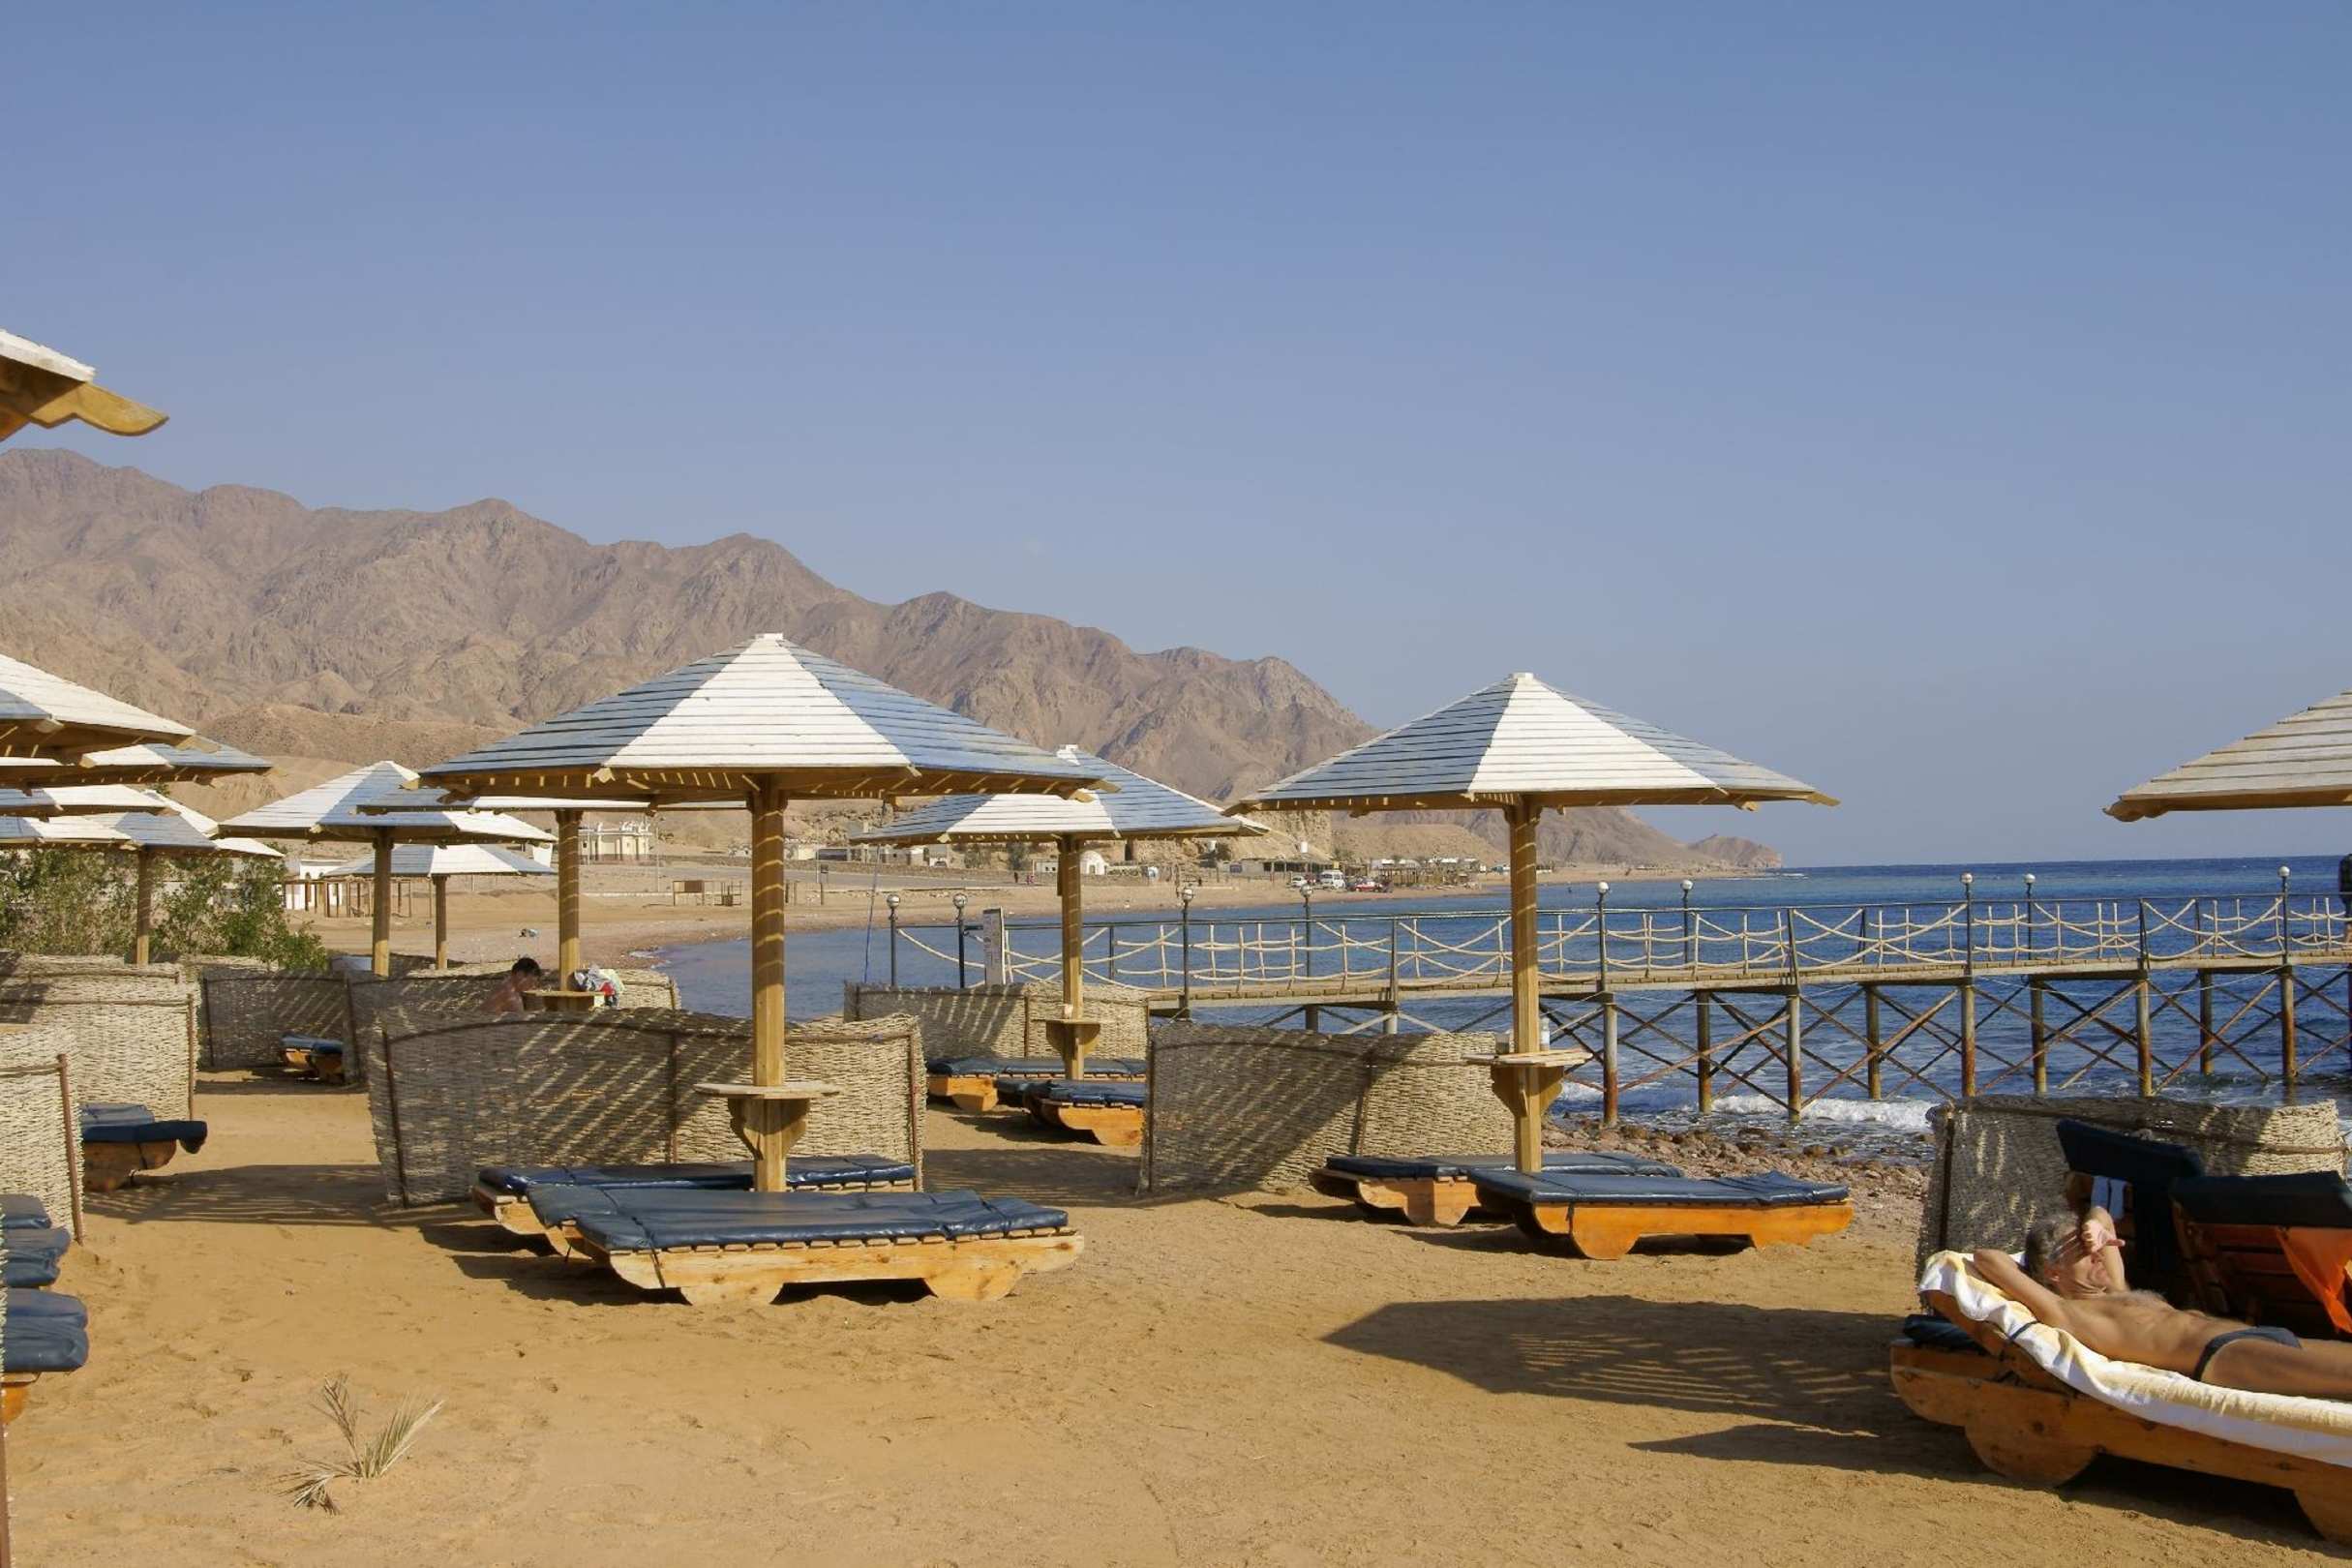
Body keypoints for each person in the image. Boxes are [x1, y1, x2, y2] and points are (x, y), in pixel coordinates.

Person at [1975, 1213, 2352, 1399]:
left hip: (2255, 1337)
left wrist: (2093, 1227)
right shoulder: (2066, 1311)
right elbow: (1987, 1257)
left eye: (2095, 1248)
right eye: (2083, 1252)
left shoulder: (2116, 1288)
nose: (2098, 1254)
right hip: (2223, 1357)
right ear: (2053, 1271)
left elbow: (2103, 1214)